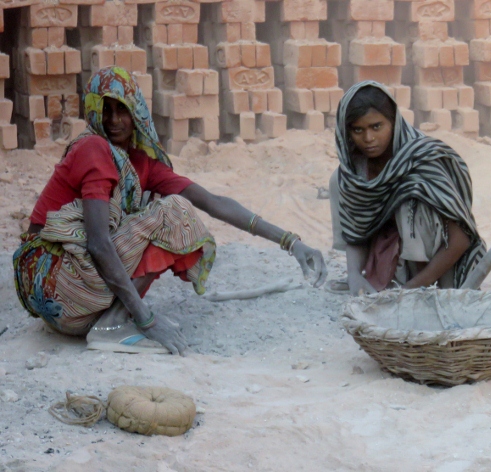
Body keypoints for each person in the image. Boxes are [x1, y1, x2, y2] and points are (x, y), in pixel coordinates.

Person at [13, 66, 327, 356]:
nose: (113, 120)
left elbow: (212, 202)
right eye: (104, 109)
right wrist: (147, 320)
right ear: (92, 111)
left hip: (61, 302)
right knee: (171, 213)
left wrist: (291, 242)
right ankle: (114, 326)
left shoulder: (140, 164)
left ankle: (113, 319)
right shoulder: (93, 148)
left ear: (136, 111)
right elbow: (97, 242)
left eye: (122, 108)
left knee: (167, 209)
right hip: (55, 283)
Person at [328, 81, 486, 296]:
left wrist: (410, 290)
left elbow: (461, 237)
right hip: (392, 264)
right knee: (338, 181)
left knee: (410, 196)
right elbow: (357, 233)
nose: (368, 139)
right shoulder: (352, 174)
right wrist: (354, 275)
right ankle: (384, 282)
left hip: (439, 270)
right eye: (358, 130)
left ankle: (434, 290)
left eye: (376, 126)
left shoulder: (422, 161)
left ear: (394, 122)